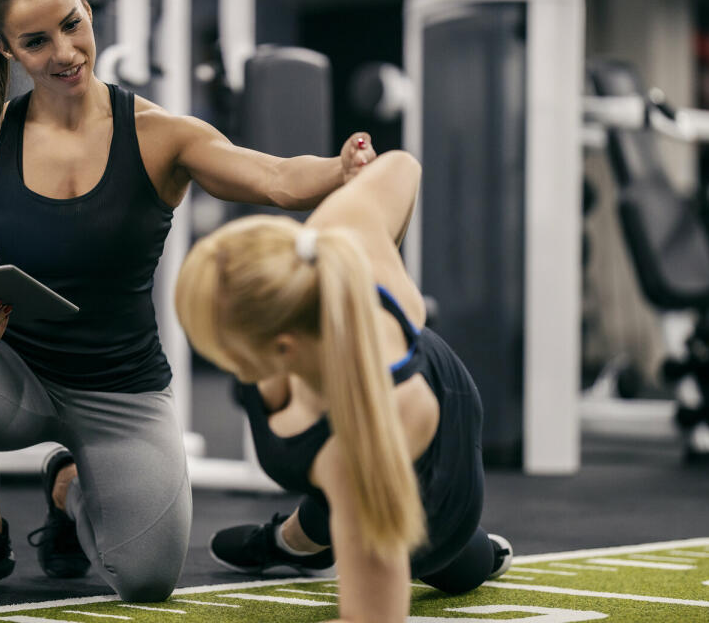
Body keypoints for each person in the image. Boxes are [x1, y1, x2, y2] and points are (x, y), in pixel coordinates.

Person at [0, 0, 376, 601]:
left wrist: (339, 170)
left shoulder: (159, 135)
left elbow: (275, 178)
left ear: (88, 10)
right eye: (36, 42)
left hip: (122, 392)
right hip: (18, 375)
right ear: (6, 50)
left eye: (72, 25)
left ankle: (67, 492)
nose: (64, 52)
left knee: (145, 581)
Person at [174, 148, 513, 623]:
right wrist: (353, 179)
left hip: (434, 485)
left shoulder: (360, 449)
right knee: (327, 494)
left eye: (226, 353)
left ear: (284, 349)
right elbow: (401, 166)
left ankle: (464, 554)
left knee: (429, 553)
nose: (224, 364)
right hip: (347, 421)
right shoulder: (322, 251)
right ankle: (295, 543)